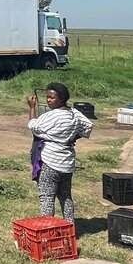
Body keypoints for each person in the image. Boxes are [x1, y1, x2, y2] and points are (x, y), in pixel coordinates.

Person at [27, 83, 93, 223]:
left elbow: (33, 126)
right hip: (66, 162)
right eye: (47, 97)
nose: (48, 100)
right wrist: (72, 137)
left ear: (61, 99)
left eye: (52, 97)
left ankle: (47, 229)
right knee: (65, 196)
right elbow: (88, 127)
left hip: (50, 160)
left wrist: (32, 107)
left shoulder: (53, 116)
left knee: (46, 197)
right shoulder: (74, 113)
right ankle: (70, 227)